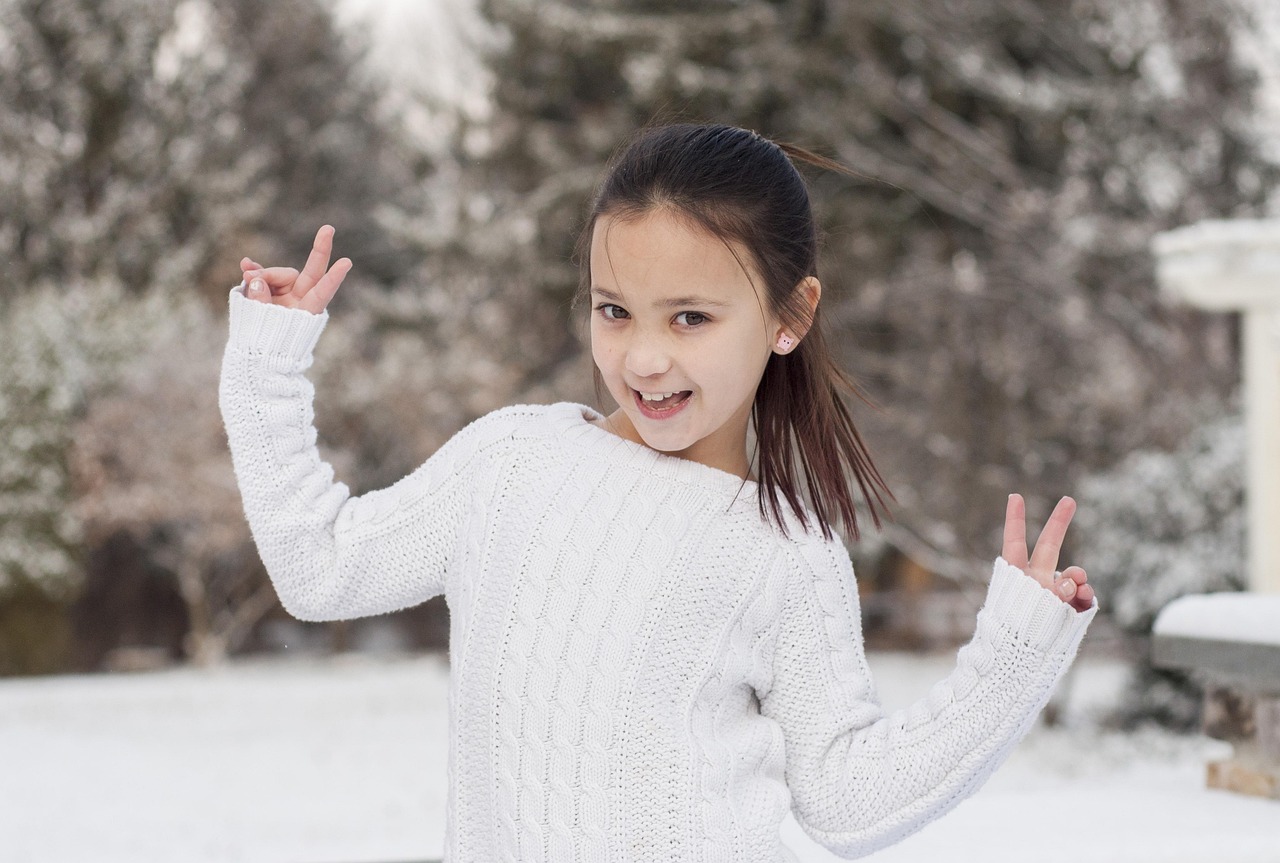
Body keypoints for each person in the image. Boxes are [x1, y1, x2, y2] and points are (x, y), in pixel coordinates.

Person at [219, 123, 1097, 862]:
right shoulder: (513, 461)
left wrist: (1014, 655)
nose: (643, 358)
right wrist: (267, 367)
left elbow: (845, 798)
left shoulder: (783, 552)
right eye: (615, 310)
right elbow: (320, 569)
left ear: (789, 316)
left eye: (690, 317)